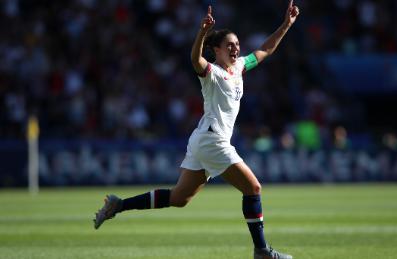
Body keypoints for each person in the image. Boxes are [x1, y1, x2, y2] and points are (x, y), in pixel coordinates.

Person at [94, 1, 299, 258]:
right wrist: (202, 32)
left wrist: (286, 25)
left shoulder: (239, 68)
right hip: (213, 141)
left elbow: (265, 50)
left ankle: (118, 205)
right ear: (217, 50)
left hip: (203, 139)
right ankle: (262, 251)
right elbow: (195, 59)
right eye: (230, 45)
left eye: (237, 44)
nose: (236, 48)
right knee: (253, 188)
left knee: (180, 198)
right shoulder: (211, 72)